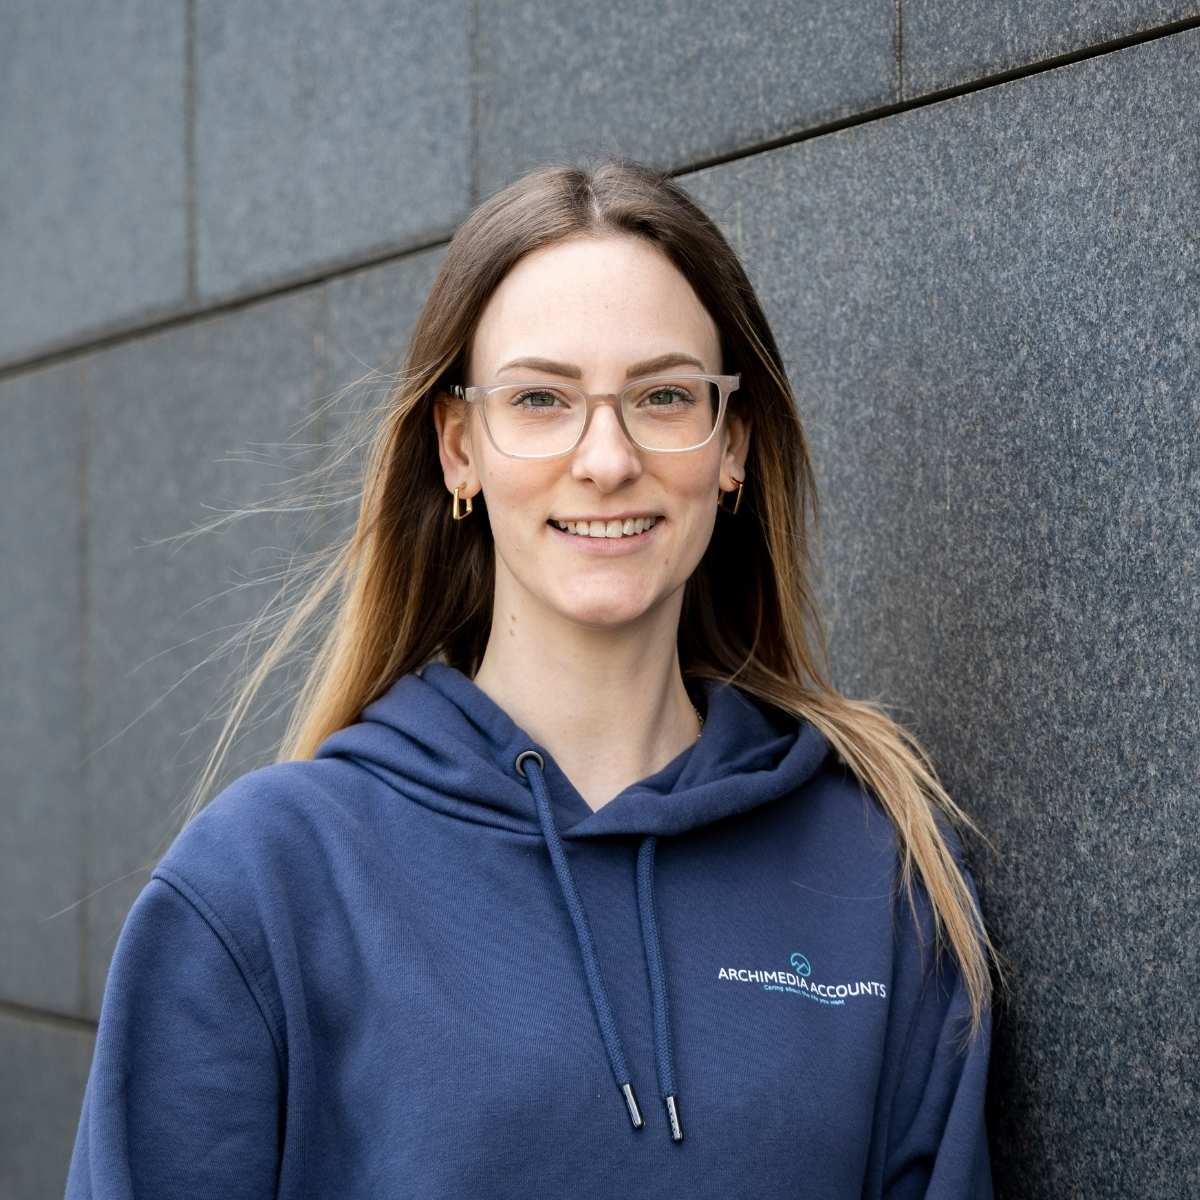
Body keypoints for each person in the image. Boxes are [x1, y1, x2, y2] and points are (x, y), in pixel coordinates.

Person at [65, 156, 1002, 1198]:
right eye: (542, 399)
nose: (606, 459)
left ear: (731, 444)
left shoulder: (881, 870)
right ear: (459, 448)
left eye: (663, 395)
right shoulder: (263, 882)